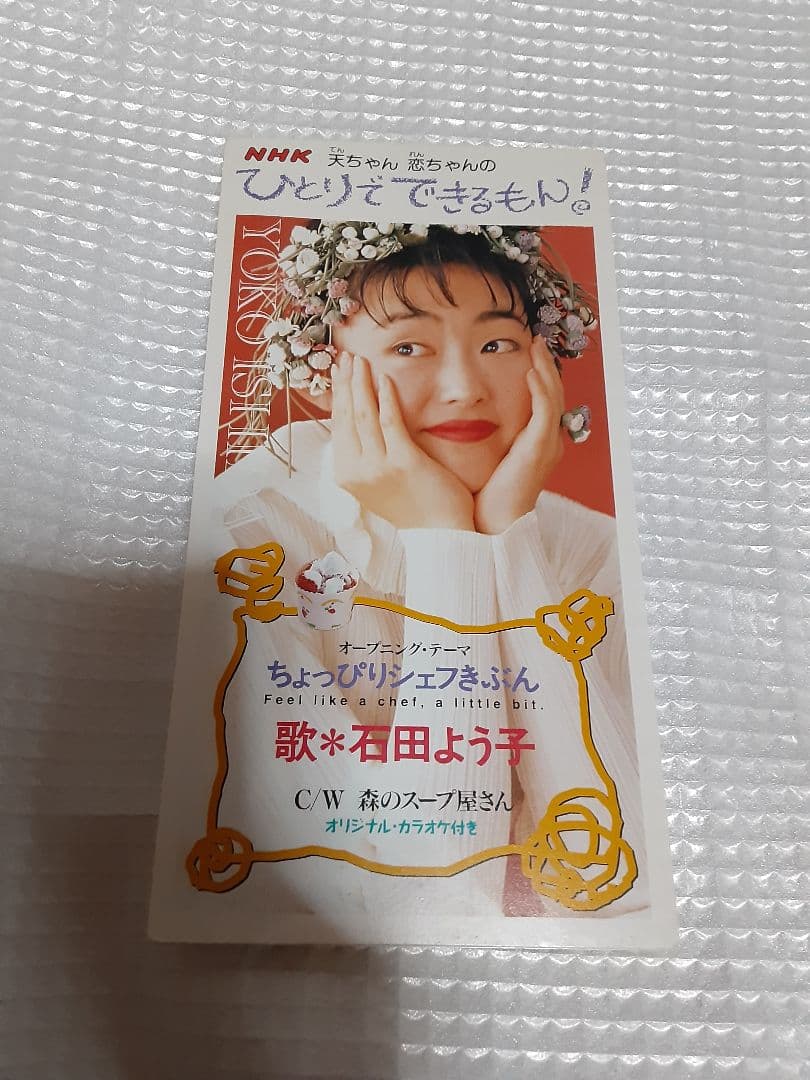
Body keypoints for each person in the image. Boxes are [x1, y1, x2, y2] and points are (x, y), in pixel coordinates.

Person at [211, 222, 647, 921]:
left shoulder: (593, 547)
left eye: (496, 344)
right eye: (409, 347)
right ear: (323, 372)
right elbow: (414, 899)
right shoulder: (248, 541)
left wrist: (508, 542)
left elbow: (625, 880)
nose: (464, 388)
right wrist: (445, 540)